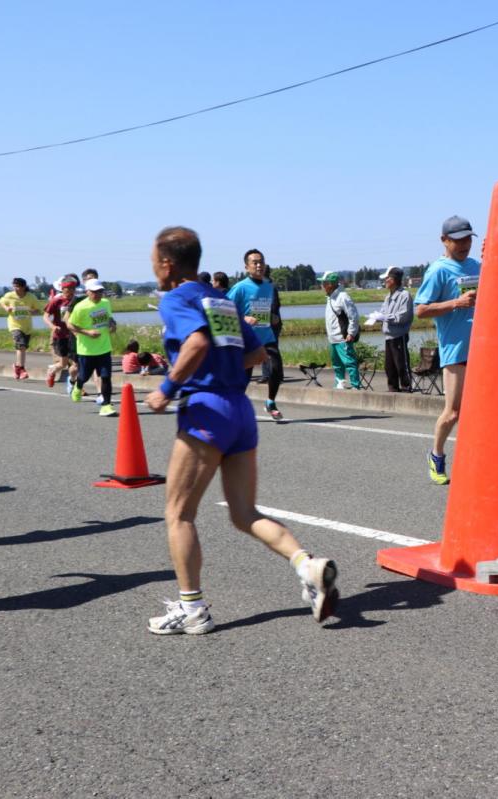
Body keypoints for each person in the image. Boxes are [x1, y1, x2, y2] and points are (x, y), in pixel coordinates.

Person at [143, 225, 338, 635]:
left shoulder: (177, 298)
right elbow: (257, 352)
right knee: (245, 513)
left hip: (206, 411)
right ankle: (308, 566)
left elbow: (195, 343)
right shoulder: (221, 300)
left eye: (153, 260)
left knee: (179, 514)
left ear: (166, 263)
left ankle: (191, 609)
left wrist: (165, 389)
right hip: (240, 411)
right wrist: (225, 368)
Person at [415, 216, 481, 484]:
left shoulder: (478, 265)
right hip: (455, 351)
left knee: (481, 413)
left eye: (468, 238)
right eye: (458, 240)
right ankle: (436, 454)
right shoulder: (438, 271)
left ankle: (479, 462)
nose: (464, 244)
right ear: (444, 240)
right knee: (453, 412)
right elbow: (420, 310)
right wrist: (457, 302)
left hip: (482, 348)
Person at [227, 248, 285, 420]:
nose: (259, 265)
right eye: (255, 262)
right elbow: (224, 310)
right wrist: (244, 318)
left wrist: (273, 317)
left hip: (267, 337)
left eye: (261, 262)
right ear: (247, 267)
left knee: (276, 370)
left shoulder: (269, 286)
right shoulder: (240, 287)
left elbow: (270, 311)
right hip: (247, 340)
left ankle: (270, 402)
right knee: (244, 378)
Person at [66, 278, 117, 416]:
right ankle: (78, 386)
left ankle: (106, 405)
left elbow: (110, 318)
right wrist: (87, 332)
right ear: (87, 292)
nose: (97, 294)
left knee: (106, 377)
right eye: (94, 292)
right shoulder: (81, 307)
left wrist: (113, 325)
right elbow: (70, 325)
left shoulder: (106, 303)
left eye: (100, 291)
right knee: (84, 376)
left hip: (104, 348)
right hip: (86, 350)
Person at [371, 266, 414, 392]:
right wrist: (377, 317)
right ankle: (393, 389)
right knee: (389, 366)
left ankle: (407, 388)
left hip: (399, 336)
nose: (384, 281)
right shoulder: (388, 296)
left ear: (393, 279)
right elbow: (383, 312)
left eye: (386, 278)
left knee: (402, 365)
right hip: (388, 336)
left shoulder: (404, 295)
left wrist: (385, 317)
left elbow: (404, 316)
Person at [322, 271, 361, 389]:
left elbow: (353, 316)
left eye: (324, 283)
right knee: (337, 364)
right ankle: (340, 384)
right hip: (333, 338)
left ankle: (355, 386)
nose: (322, 286)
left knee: (349, 362)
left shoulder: (343, 297)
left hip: (343, 337)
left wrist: (351, 333)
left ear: (330, 284)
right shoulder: (330, 297)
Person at [0, 277, 43, 379]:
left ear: (23, 287)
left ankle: (17, 367)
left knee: (23, 348)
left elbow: (38, 310)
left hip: (27, 326)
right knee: (21, 346)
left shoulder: (31, 297)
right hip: (14, 325)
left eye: (18, 286)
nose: (15, 288)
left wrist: (33, 311)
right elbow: (1, 301)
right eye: (14, 286)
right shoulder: (9, 295)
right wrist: (6, 308)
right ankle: (22, 369)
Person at [43, 279, 78, 389]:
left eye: (73, 289)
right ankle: (51, 371)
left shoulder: (78, 301)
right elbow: (45, 316)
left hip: (74, 335)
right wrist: (53, 326)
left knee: (76, 363)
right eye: (68, 289)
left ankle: (73, 383)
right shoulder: (56, 301)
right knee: (63, 364)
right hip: (61, 336)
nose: (71, 292)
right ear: (62, 289)